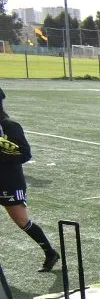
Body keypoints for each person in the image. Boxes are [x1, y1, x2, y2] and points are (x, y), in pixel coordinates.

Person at [0, 89, 59, 272]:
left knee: (21, 220)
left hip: (9, 181)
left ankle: (50, 253)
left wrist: (3, 152)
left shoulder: (9, 126)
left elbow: (25, 154)